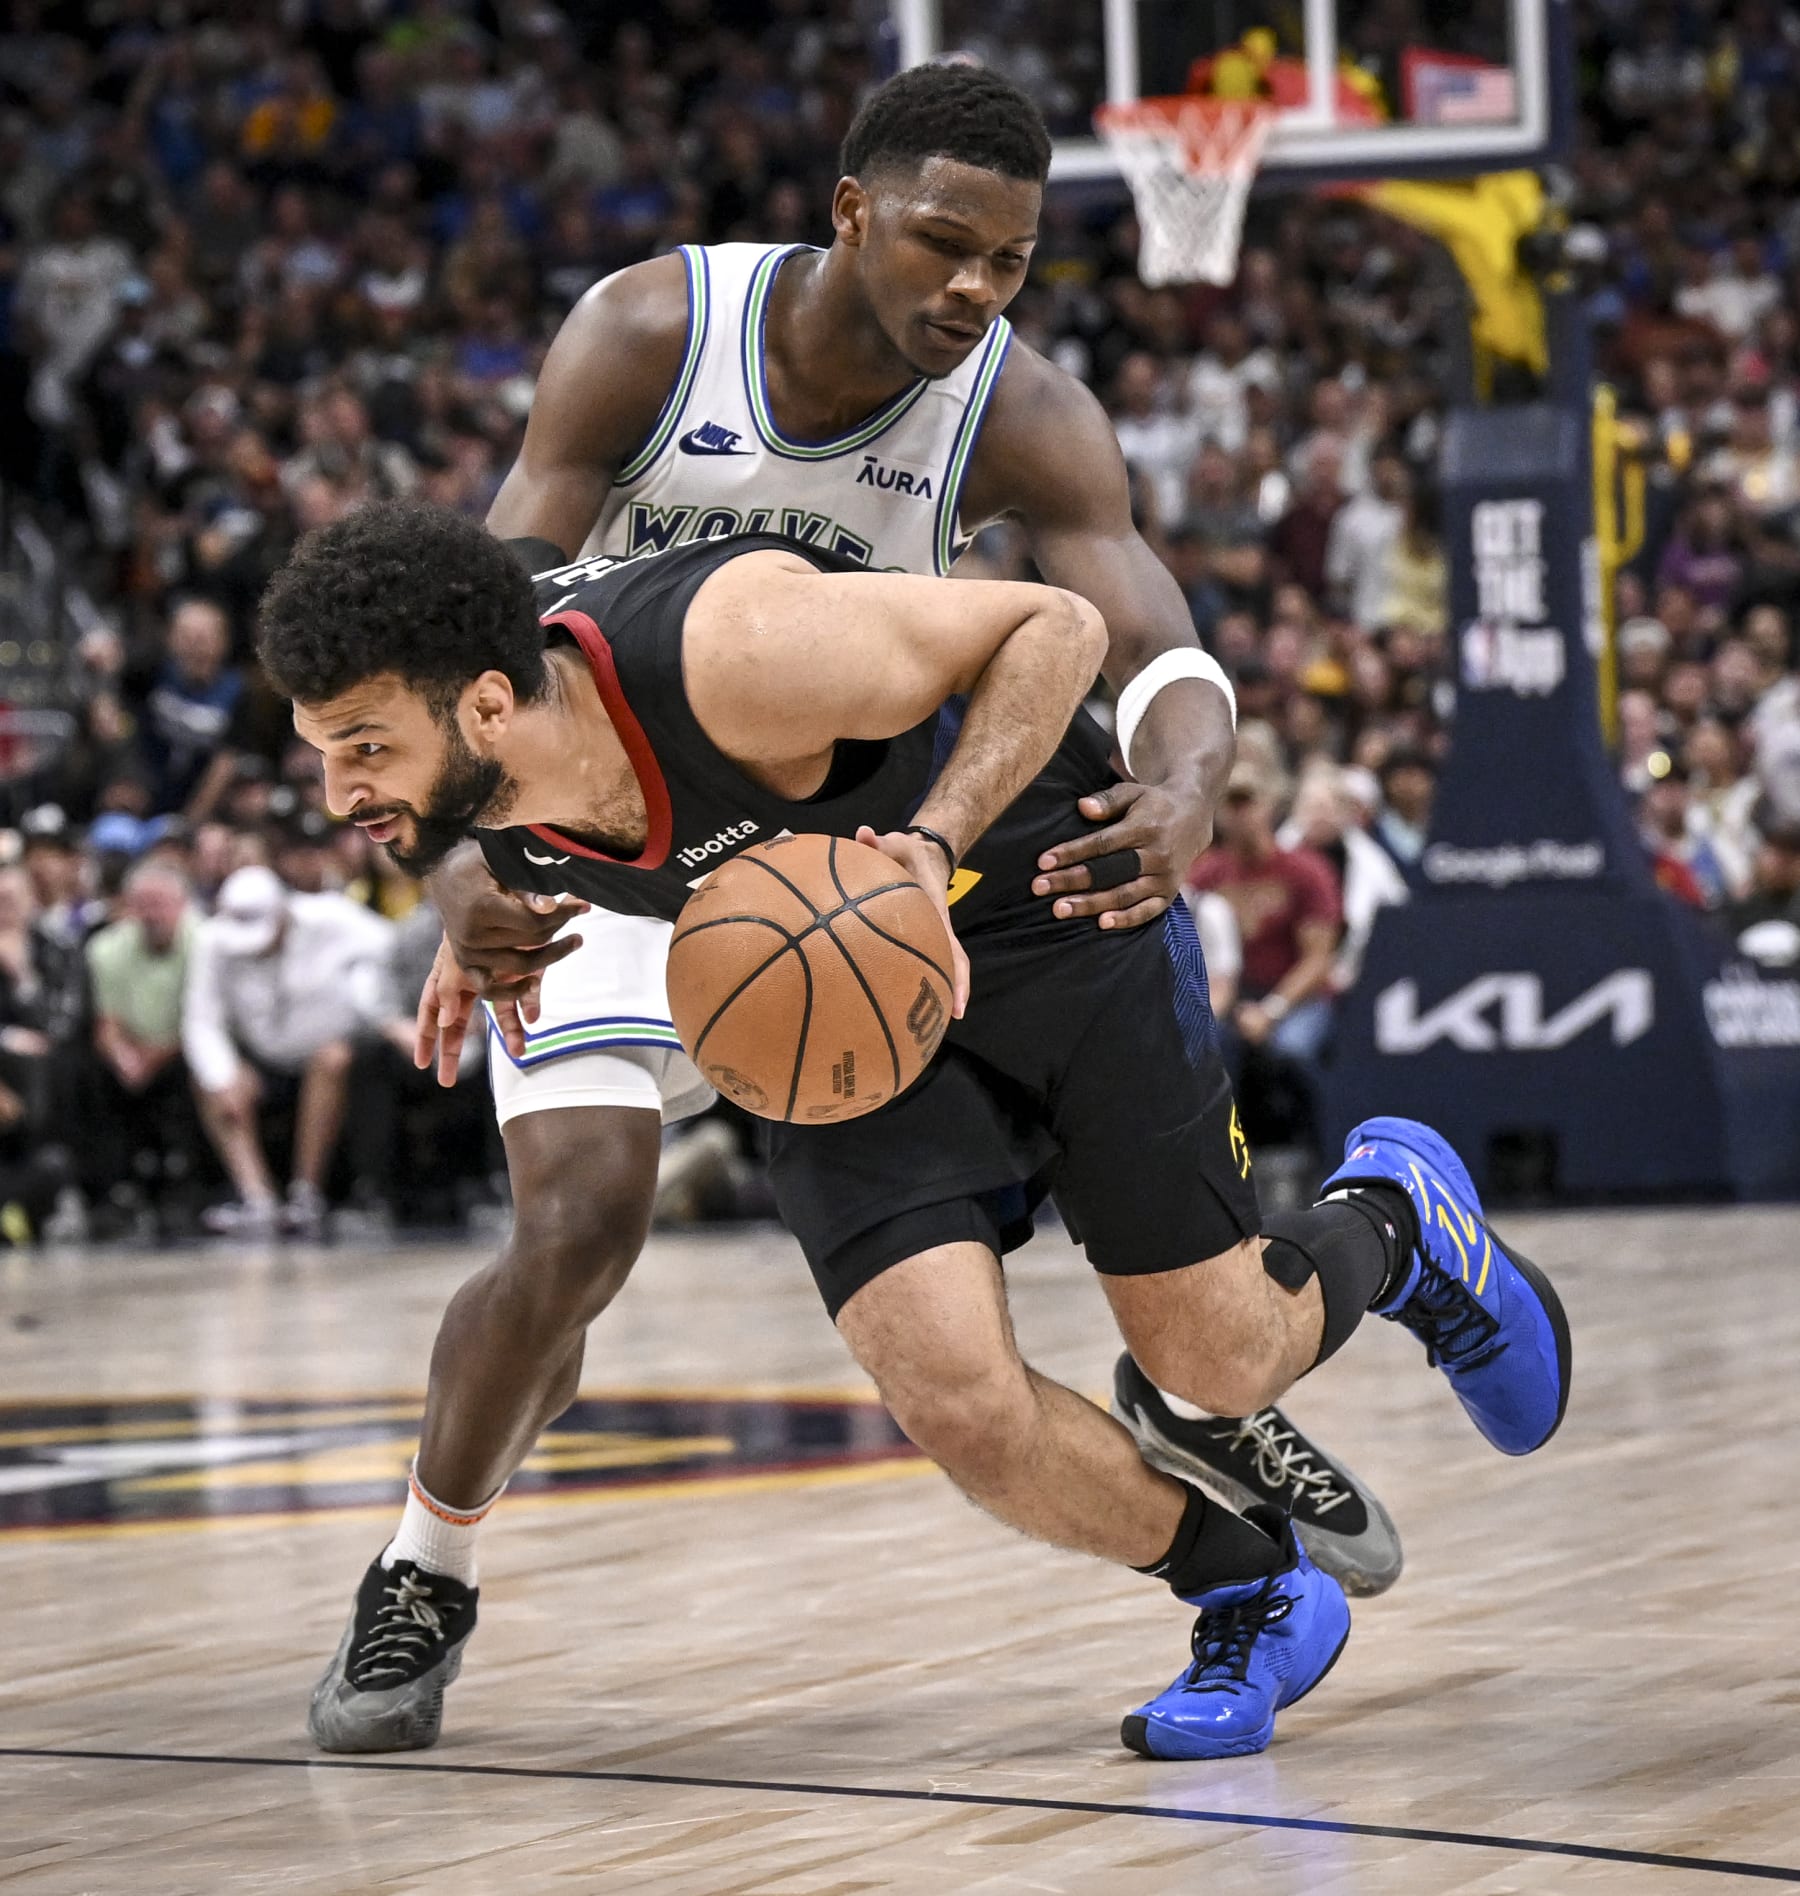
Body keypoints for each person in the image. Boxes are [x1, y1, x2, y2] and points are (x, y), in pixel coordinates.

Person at [295, 63, 1406, 1754]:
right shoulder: (652, 333)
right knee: (579, 1217)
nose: (975, 288)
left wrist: (1189, 784)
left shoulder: (1020, 411)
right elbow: (476, 629)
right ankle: (423, 1569)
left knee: (1154, 1308)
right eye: (945, 244)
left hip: (836, 846)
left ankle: (1213, 1389)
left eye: (1009, 262)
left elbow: (1140, 630)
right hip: (605, 787)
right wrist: (468, 874)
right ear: (850, 213)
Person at [261, 498, 1572, 1765]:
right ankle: (1255, 1593)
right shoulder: (482, 783)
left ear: (491, 705)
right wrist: (469, 914)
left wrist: (931, 846)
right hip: (835, 1000)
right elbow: (479, 832)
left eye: (363, 747)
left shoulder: (733, 654)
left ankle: (1395, 1220)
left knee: (1221, 1362)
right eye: (323, 748)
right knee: (955, 1401)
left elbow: (1054, 626)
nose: (336, 790)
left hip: (1055, 907)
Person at [181, 863, 397, 1236]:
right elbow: (201, 1020)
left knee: (333, 1059)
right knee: (210, 1081)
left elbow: (392, 948)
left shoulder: (333, 917)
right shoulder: (211, 941)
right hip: (261, 1059)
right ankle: (257, 1199)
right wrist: (223, 1075)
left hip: (327, 1054)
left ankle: (305, 1195)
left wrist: (369, 1001)